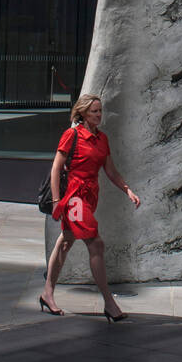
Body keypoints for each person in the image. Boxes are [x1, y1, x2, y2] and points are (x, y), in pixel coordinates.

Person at [40, 94, 140, 321]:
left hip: (89, 197)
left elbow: (111, 171)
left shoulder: (102, 139)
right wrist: (56, 201)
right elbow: (56, 168)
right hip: (74, 198)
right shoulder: (72, 135)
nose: (99, 115)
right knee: (96, 244)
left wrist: (128, 190)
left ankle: (47, 293)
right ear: (83, 113)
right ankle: (109, 303)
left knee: (65, 243)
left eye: (100, 111)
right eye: (94, 111)